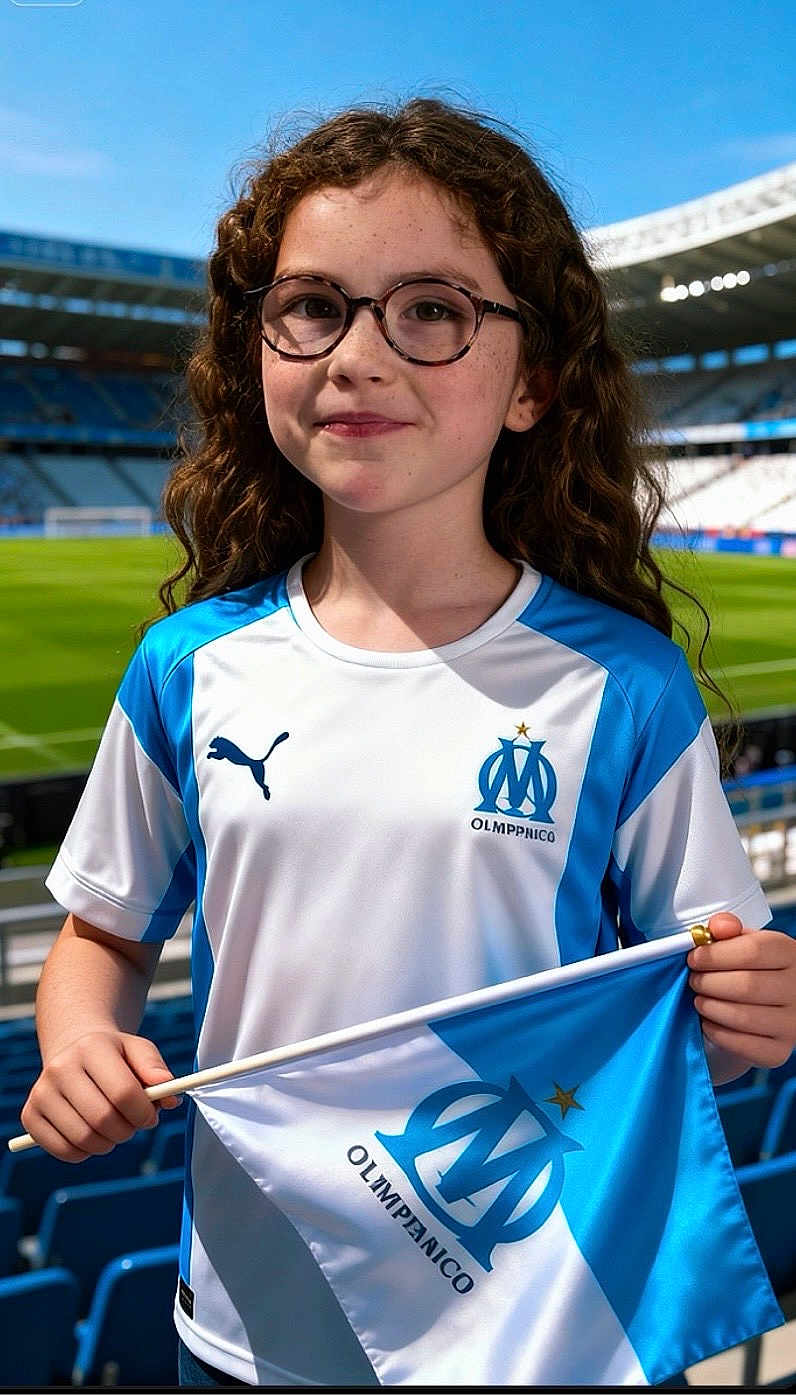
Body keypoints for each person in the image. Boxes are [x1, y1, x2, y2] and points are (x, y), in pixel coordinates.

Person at [22, 97, 796, 1388]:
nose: (358, 356)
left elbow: (694, 1001)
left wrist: (758, 1006)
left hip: (524, 1333)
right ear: (259, 353)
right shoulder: (187, 668)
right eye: (312, 307)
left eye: (431, 310)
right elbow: (102, 938)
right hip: (248, 1326)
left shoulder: (626, 689)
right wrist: (77, 1042)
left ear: (534, 383)